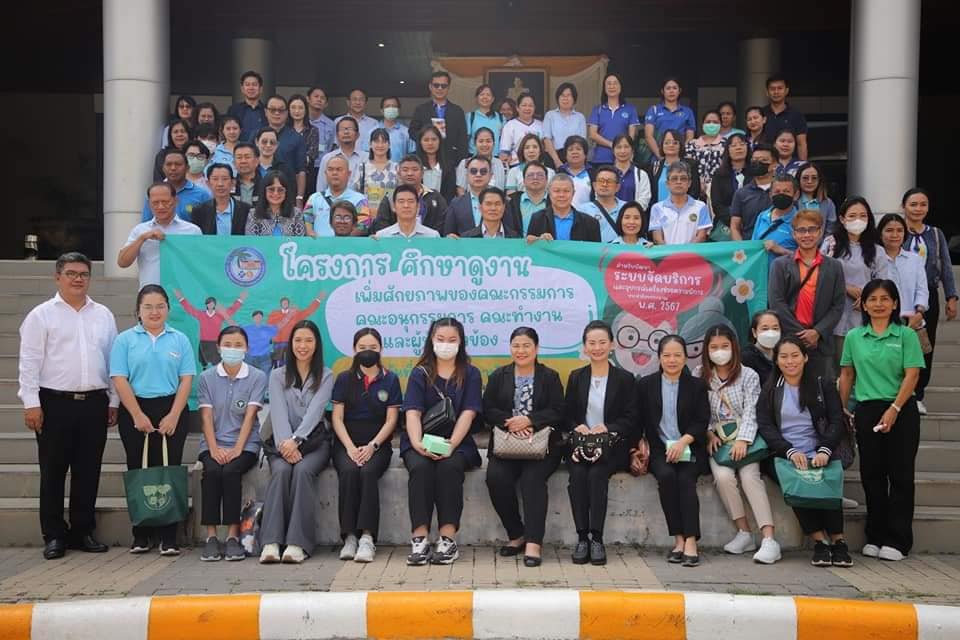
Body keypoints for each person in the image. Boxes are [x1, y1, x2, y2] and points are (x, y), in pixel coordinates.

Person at [18, 253, 118, 560]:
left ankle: (82, 531)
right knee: (53, 471)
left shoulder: (103, 315)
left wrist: (113, 400)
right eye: (71, 273)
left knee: (88, 470)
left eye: (84, 274)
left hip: (94, 402)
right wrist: (31, 403)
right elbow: (29, 362)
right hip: (54, 403)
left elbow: (113, 360)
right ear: (57, 277)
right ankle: (53, 535)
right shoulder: (41, 316)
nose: (78, 279)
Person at [839, 279, 925, 561]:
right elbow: (847, 374)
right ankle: (875, 536)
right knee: (872, 475)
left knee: (900, 475)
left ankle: (898, 540)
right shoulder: (854, 337)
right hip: (867, 410)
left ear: (895, 303)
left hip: (902, 409)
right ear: (863, 304)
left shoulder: (906, 335)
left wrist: (895, 408)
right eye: (872, 299)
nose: (878, 304)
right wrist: (841, 409)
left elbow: (913, 374)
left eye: (885, 299)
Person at [110, 284, 195, 556]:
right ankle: (141, 534)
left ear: (168, 309)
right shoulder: (125, 340)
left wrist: (174, 415)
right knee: (139, 467)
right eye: (148, 307)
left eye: (160, 306)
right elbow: (119, 378)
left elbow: (186, 379)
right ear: (138, 311)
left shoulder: (179, 339)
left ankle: (169, 536)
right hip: (135, 409)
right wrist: (137, 414)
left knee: (169, 468)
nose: (154, 312)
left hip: (171, 408)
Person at [757, 336, 852, 567]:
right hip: (786, 453)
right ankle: (820, 541)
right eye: (784, 357)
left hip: (820, 450)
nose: (790, 361)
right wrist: (788, 451)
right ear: (776, 360)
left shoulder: (822, 384)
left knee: (825, 482)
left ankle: (838, 541)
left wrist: (824, 450)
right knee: (797, 482)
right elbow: (766, 426)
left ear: (805, 357)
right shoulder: (770, 389)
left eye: (795, 355)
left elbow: (836, 419)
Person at [401, 318, 482, 565]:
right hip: (421, 439)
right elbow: (412, 412)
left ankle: (447, 540)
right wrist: (418, 444)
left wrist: (451, 445)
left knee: (449, 468)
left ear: (461, 342)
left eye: (452, 340)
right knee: (420, 468)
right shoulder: (420, 373)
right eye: (440, 339)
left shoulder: (471, 374)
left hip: (457, 442)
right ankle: (420, 540)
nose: (446, 344)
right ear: (431, 340)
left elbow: (468, 413)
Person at [483, 327, 564, 566]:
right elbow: (487, 410)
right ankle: (517, 534)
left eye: (526, 345)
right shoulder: (499, 376)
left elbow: (558, 410)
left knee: (532, 480)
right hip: (507, 444)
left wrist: (530, 420)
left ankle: (533, 543)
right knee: (495, 478)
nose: (521, 350)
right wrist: (511, 423)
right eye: (516, 346)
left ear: (536, 348)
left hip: (542, 446)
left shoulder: (549, 377)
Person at [700, 326, 781, 563]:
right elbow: (698, 410)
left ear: (734, 347)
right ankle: (744, 533)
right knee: (723, 477)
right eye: (714, 347)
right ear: (706, 350)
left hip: (746, 440)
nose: (720, 351)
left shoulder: (749, 375)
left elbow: (752, 411)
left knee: (749, 477)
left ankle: (769, 538)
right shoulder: (700, 375)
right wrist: (708, 434)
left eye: (724, 346)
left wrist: (743, 440)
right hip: (718, 441)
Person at [260, 320, 334, 564]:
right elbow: (278, 412)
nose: (303, 346)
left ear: (317, 345)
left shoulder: (326, 375)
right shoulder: (277, 375)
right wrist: (286, 444)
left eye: (309, 340)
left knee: (302, 471)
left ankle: (297, 543)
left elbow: (316, 412)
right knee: (281, 471)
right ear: (290, 344)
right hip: (282, 444)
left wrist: (297, 440)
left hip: (315, 443)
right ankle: (271, 541)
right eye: (298, 340)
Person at [563, 321, 636, 565]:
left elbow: (631, 418)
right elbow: (566, 415)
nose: (597, 348)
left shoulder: (624, 379)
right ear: (585, 347)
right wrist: (578, 426)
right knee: (577, 476)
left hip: (611, 447)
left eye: (602, 342)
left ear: (612, 345)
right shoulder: (577, 377)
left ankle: (597, 538)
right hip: (581, 446)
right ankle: (582, 538)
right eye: (592, 343)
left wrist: (608, 427)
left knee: (596, 475)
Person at [637, 334, 709, 567]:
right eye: (667, 355)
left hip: (690, 446)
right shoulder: (646, 385)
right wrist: (637, 446)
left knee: (686, 480)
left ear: (685, 358)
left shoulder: (697, 386)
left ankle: (691, 541)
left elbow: (701, 420)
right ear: (659, 357)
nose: (672, 360)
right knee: (667, 477)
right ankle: (679, 539)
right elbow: (638, 419)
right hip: (660, 449)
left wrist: (683, 442)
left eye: (677, 355)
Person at [331, 328, 402, 564]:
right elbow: (337, 418)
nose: (367, 352)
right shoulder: (344, 379)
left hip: (378, 444)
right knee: (349, 471)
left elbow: (391, 420)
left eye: (372, 347)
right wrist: (350, 448)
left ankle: (367, 537)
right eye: (362, 348)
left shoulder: (390, 379)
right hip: (347, 443)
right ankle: (350, 537)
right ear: (354, 350)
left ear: (380, 349)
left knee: (368, 472)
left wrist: (373, 446)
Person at [197, 326, 266, 562]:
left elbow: (250, 416)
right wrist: (214, 449)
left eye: (238, 345)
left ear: (246, 348)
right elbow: (206, 417)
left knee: (230, 471)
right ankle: (211, 537)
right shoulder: (206, 378)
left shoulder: (257, 377)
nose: (232, 349)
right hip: (212, 442)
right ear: (218, 347)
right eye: (227, 344)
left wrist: (237, 448)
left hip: (245, 444)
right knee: (212, 471)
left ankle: (233, 536)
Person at [768, 209, 846, 377]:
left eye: (812, 229)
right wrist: (802, 335)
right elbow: (776, 302)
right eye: (801, 230)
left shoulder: (834, 266)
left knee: (823, 388)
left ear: (820, 232)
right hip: (790, 340)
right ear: (794, 234)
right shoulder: (780, 265)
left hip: (821, 342)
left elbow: (838, 305)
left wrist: (817, 332)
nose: (807, 235)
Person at [902, 188, 958, 414]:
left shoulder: (935, 234)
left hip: (928, 296)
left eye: (923, 204)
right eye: (913, 204)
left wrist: (951, 296)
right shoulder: (896, 230)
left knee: (925, 345)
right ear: (903, 206)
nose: (918, 209)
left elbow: (945, 265)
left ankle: (918, 393)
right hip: (901, 295)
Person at [821, 197, 879, 364]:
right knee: (839, 368)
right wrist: (845, 287)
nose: (858, 220)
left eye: (863, 216)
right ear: (842, 219)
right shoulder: (830, 244)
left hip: (866, 316)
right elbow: (821, 275)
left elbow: (882, 283)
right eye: (852, 216)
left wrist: (867, 298)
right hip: (835, 317)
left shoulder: (877, 250)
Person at [120, 182, 202, 288]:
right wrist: (142, 238)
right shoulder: (140, 230)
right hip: (150, 293)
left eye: (165, 202)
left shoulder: (192, 231)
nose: (161, 206)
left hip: (182, 292)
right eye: (155, 203)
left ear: (176, 201)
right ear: (149, 204)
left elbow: (200, 266)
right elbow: (122, 262)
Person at [875, 214, 929, 331]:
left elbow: (922, 290)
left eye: (899, 230)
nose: (895, 235)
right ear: (880, 234)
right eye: (889, 230)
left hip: (912, 323)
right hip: (881, 324)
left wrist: (919, 313)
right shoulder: (873, 260)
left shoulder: (915, 259)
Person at [369, 155, 448, 234]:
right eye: (405, 170)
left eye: (415, 169)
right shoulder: (390, 197)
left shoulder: (435, 197)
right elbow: (381, 225)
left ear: (422, 173)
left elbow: (443, 223)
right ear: (399, 174)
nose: (410, 173)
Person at [409, 71, 469, 165]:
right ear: (430, 87)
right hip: (426, 159)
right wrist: (427, 138)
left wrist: (462, 161)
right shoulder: (420, 110)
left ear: (448, 88)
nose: (440, 88)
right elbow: (412, 131)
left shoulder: (457, 111)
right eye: (436, 85)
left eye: (443, 86)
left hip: (451, 159)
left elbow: (462, 139)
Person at [303, 155, 370, 237]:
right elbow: (306, 221)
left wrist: (340, 241)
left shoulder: (360, 199)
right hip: (319, 245)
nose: (334, 173)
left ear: (349, 174)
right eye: (330, 169)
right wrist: (312, 235)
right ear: (325, 173)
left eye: (339, 169)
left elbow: (363, 225)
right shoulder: (314, 198)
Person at [141, 148, 212, 223]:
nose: (173, 168)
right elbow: (146, 224)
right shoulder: (154, 194)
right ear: (163, 168)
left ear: (187, 168)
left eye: (178, 164)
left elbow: (208, 225)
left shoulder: (202, 195)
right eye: (169, 164)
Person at [649, 161, 711, 245]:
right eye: (674, 178)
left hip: (692, 252)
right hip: (667, 253)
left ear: (689, 183)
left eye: (683, 179)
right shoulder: (657, 208)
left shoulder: (701, 207)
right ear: (667, 184)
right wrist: (671, 252)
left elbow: (701, 236)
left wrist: (685, 252)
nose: (679, 182)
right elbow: (657, 238)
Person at [526, 174, 601, 243]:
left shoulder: (590, 223)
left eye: (566, 191)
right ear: (549, 193)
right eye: (556, 191)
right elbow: (530, 248)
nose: (561, 195)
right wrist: (538, 240)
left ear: (573, 193)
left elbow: (595, 251)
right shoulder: (538, 218)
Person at [588, 73, 641, 165]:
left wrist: (624, 150)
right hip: (601, 159)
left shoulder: (630, 109)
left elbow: (631, 137)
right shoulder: (597, 109)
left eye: (615, 83)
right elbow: (592, 134)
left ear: (621, 86)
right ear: (604, 88)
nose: (612, 86)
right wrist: (612, 144)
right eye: (609, 83)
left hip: (622, 157)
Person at [263, 96, 307, 202]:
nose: (277, 113)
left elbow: (301, 171)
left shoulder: (297, 138)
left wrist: (299, 198)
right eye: (272, 110)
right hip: (260, 192)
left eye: (281, 110)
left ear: (287, 113)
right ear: (266, 112)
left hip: (288, 194)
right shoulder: (256, 136)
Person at [266, 292, 326, 369]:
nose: (285, 304)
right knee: (278, 363)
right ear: (281, 304)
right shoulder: (274, 314)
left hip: (291, 342)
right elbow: (269, 327)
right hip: (278, 343)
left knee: (292, 363)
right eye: (283, 303)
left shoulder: (295, 313)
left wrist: (318, 300)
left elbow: (308, 311)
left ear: (288, 304)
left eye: (286, 303)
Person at [730, 143, 776, 240]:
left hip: (778, 244)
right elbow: (734, 227)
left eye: (764, 160)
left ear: (774, 164)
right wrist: (742, 247)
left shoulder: (783, 191)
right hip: (750, 245)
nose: (758, 163)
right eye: (755, 160)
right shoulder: (741, 193)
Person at [643, 77, 696, 160]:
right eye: (668, 88)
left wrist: (680, 155)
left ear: (679, 91)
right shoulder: (654, 110)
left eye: (674, 88)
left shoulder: (687, 111)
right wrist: (660, 157)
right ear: (662, 91)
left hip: (680, 158)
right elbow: (648, 136)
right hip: (658, 158)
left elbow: (690, 137)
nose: (671, 91)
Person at [709, 133, 749, 241]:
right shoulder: (719, 174)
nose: (738, 148)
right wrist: (734, 222)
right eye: (734, 145)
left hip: (751, 224)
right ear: (728, 150)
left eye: (742, 144)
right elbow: (717, 205)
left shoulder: (754, 173)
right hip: (726, 224)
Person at [191, 164, 251, 236]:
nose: (220, 184)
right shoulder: (199, 211)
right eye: (215, 179)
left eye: (225, 179)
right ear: (208, 183)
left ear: (233, 183)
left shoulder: (247, 210)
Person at [751, 175, 800, 264]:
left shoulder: (801, 221)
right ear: (770, 195)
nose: (781, 194)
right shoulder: (762, 216)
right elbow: (752, 246)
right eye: (777, 192)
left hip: (786, 272)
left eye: (786, 191)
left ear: (796, 195)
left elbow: (807, 259)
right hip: (761, 271)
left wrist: (782, 251)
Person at [444, 155, 497, 236]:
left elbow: (510, 234)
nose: (478, 175)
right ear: (467, 175)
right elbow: (448, 234)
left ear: (490, 176)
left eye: (483, 171)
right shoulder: (456, 203)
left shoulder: (500, 202)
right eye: (473, 171)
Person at [244, 170, 307, 237]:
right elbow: (251, 241)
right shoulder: (254, 214)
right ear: (264, 191)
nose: (275, 193)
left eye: (280, 190)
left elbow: (300, 241)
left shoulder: (296, 214)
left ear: (286, 192)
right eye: (271, 189)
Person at [762, 76, 808, 160]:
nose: (776, 92)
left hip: (790, 164)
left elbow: (801, 144)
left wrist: (803, 165)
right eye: (772, 89)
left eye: (780, 88)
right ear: (767, 92)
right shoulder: (761, 114)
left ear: (786, 91)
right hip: (765, 163)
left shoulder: (797, 115)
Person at [648, 130, 701, 203]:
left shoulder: (691, 165)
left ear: (680, 145)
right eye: (667, 143)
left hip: (684, 208)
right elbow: (651, 194)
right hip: (659, 209)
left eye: (675, 143)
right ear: (662, 145)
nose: (671, 145)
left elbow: (695, 192)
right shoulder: (655, 167)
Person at [579, 165, 627, 243]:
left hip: (621, 250)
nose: (604, 184)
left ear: (617, 187)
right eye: (601, 181)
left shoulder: (627, 208)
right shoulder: (583, 210)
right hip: (594, 250)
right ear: (594, 185)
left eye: (609, 181)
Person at [543, 82, 587, 167]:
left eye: (568, 95)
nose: (565, 98)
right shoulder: (550, 115)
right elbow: (547, 139)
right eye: (562, 95)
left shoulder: (580, 117)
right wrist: (557, 161)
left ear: (574, 98)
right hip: (553, 156)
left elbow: (582, 142)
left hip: (574, 157)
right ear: (558, 98)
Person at [374, 184, 441, 239]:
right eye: (401, 201)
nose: (406, 205)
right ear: (394, 207)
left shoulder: (433, 236)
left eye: (410, 201)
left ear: (418, 207)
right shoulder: (382, 236)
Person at [316, 117, 364, 193]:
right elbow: (321, 187)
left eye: (350, 129)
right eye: (342, 129)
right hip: (334, 200)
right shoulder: (328, 158)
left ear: (357, 135)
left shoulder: (366, 158)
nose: (346, 132)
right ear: (337, 135)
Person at [456, 128, 507, 196]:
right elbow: (461, 191)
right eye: (481, 141)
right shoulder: (465, 164)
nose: (484, 144)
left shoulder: (503, 165)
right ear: (475, 143)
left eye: (488, 141)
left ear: (494, 144)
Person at [684, 110, 726, 189]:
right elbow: (687, 168)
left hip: (719, 188)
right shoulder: (692, 145)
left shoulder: (726, 144)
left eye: (715, 122)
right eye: (708, 122)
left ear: (721, 125)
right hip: (695, 188)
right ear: (703, 124)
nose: (711, 124)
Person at [498, 94, 544, 166]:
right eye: (524, 105)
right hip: (517, 165)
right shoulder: (510, 125)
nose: (527, 108)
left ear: (534, 108)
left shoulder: (541, 125)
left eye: (530, 105)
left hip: (538, 165)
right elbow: (504, 152)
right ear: (517, 108)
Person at [505, 161, 550, 235]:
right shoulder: (512, 202)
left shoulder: (554, 201)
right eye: (530, 175)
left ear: (546, 180)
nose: (535, 178)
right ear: (523, 180)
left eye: (540, 175)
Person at [416, 125, 457, 203]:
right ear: (420, 142)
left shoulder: (449, 165)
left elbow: (450, 192)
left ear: (440, 141)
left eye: (434, 139)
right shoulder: (414, 164)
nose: (430, 143)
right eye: (426, 140)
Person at [741, 310, 782, 387]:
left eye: (775, 328)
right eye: (765, 329)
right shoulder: (746, 358)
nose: (770, 333)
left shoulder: (783, 355)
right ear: (754, 332)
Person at [612, 134, 651, 210]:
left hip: (632, 216)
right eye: (619, 147)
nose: (622, 151)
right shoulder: (606, 173)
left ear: (632, 150)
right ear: (613, 150)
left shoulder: (641, 174)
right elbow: (600, 196)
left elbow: (644, 200)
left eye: (626, 147)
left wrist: (628, 212)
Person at [334, 89, 379, 153]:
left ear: (366, 103)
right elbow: (335, 145)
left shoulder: (374, 123)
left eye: (361, 99)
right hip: (343, 158)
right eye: (354, 99)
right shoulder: (338, 121)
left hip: (367, 158)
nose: (358, 102)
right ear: (348, 102)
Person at [227, 70, 267, 142]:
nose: (251, 88)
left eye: (254, 84)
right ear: (242, 89)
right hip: (239, 148)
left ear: (260, 89)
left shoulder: (267, 110)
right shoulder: (233, 110)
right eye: (247, 84)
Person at [288, 94, 320, 183]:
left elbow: (312, 154)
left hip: (307, 174)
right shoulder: (284, 130)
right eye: (293, 107)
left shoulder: (313, 130)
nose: (297, 111)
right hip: (286, 174)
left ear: (306, 110)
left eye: (300, 108)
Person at [797, 162, 837, 233]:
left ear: (819, 180)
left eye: (814, 178)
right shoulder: (792, 202)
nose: (809, 181)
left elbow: (830, 230)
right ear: (798, 179)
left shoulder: (828, 203)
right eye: (805, 178)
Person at [466, 85, 504, 156]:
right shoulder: (470, 116)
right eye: (482, 94)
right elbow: (465, 139)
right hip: (475, 157)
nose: (485, 97)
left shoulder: (501, 118)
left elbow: (505, 140)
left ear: (493, 99)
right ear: (477, 98)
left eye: (488, 95)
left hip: (495, 157)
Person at [557, 136, 593, 206]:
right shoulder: (559, 173)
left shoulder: (592, 173)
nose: (574, 152)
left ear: (585, 154)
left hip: (587, 212)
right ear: (566, 155)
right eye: (570, 150)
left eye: (578, 149)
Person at [243, 311, 277, 378]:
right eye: (256, 317)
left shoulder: (269, 329)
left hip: (264, 357)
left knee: (265, 377)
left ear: (262, 318)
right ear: (253, 318)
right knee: (249, 377)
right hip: (250, 356)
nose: (258, 318)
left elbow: (280, 327)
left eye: (259, 317)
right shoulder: (246, 328)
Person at [379, 97, 412, 164]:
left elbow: (412, 155)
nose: (391, 109)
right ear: (382, 111)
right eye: (387, 106)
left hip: (400, 169)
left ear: (398, 110)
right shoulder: (372, 131)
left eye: (394, 106)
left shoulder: (407, 132)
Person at [307, 86, 336, 157]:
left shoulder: (331, 125)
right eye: (316, 96)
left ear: (326, 104)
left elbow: (330, 148)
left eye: (322, 98)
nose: (319, 99)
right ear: (308, 99)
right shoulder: (299, 120)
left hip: (322, 162)